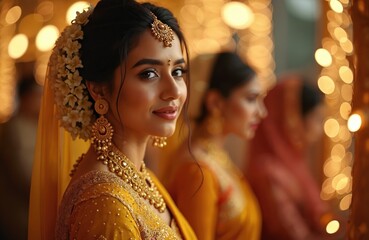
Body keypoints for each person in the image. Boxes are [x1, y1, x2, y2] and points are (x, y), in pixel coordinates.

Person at [28, 0, 197, 239]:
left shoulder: (139, 176)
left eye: (178, 72)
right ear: (98, 90)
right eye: (148, 74)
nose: (174, 91)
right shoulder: (104, 203)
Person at [166, 52, 267, 240]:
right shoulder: (196, 170)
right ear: (215, 102)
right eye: (251, 99)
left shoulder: (215, 157)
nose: (262, 112)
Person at [245, 75, 337, 240]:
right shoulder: (267, 171)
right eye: (316, 119)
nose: (320, 129)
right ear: (292, 119)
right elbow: (293, 235)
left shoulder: (294, 162)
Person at [0, 76, 42, 240]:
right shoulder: (15, 129)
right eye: (37, 96)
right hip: (20, 213)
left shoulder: (34, 126)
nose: (41, 102)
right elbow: (23, 176)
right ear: (26, 98)